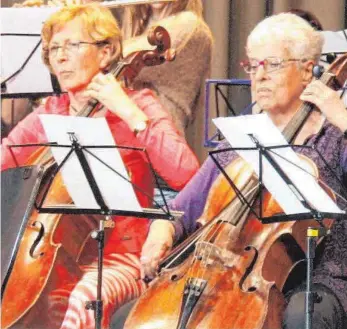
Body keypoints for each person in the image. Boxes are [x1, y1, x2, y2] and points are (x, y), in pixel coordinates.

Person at [139, 13, 347, 329]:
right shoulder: (241, 140)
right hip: (235, 275)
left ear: (307, 70)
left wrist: (343, 118)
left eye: (272, 64)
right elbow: (179, 210)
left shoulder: (333, 136)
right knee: (126, 317)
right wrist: (160, 233)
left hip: (320, 275)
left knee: (304, 319)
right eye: (253, 65)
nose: (259, 76)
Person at [1, 3, 199, 329]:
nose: (60, 58)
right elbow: (5, 157)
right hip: (55, 259)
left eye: (73, 46)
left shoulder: (139, 105)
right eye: (54, 50)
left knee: (83, 300)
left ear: (106, 53)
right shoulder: (52, 111)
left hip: (124, 259)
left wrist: (130, 114)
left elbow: (188, 176)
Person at [122, 0, 213, 161]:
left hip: (159, 147)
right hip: (131, 143)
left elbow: (119, 58)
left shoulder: (189, 25)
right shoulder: (138, 27)